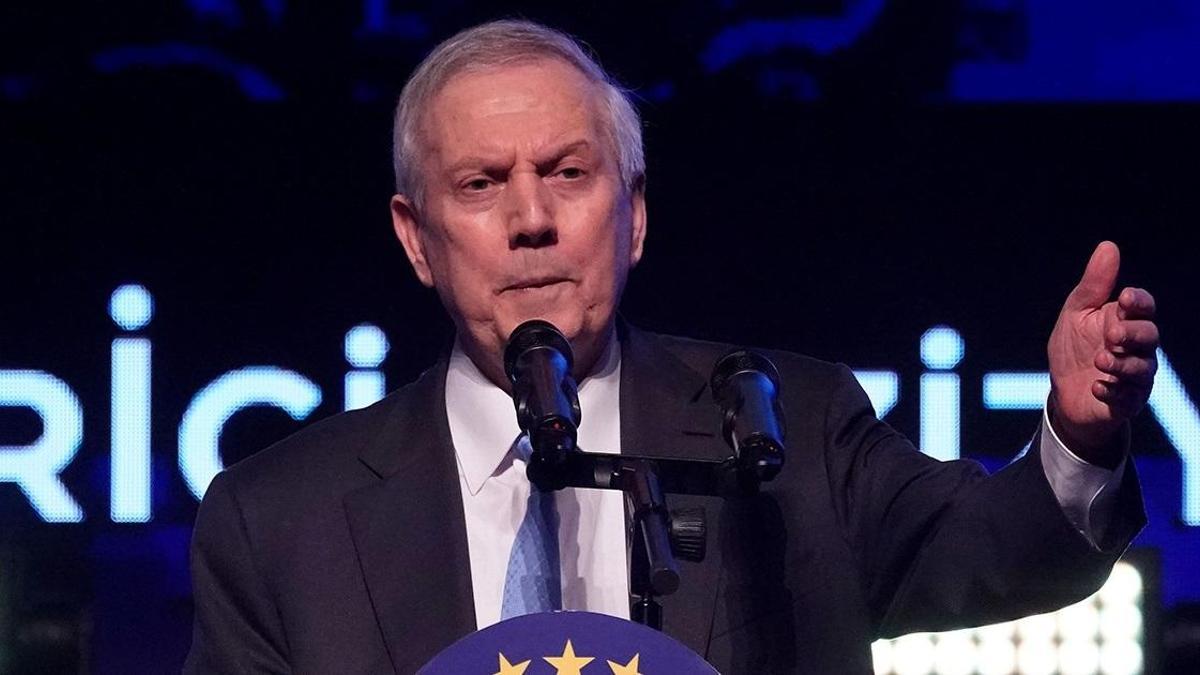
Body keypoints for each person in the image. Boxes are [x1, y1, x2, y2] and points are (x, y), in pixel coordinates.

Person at [184, 19, 1158, 674]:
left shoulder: (788, 429)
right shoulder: (279, 521)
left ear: (635, 213)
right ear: (415, 238)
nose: (531, 218)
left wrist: (1079, 434)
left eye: (568, 173)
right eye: (481, 184)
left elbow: (998, 551)